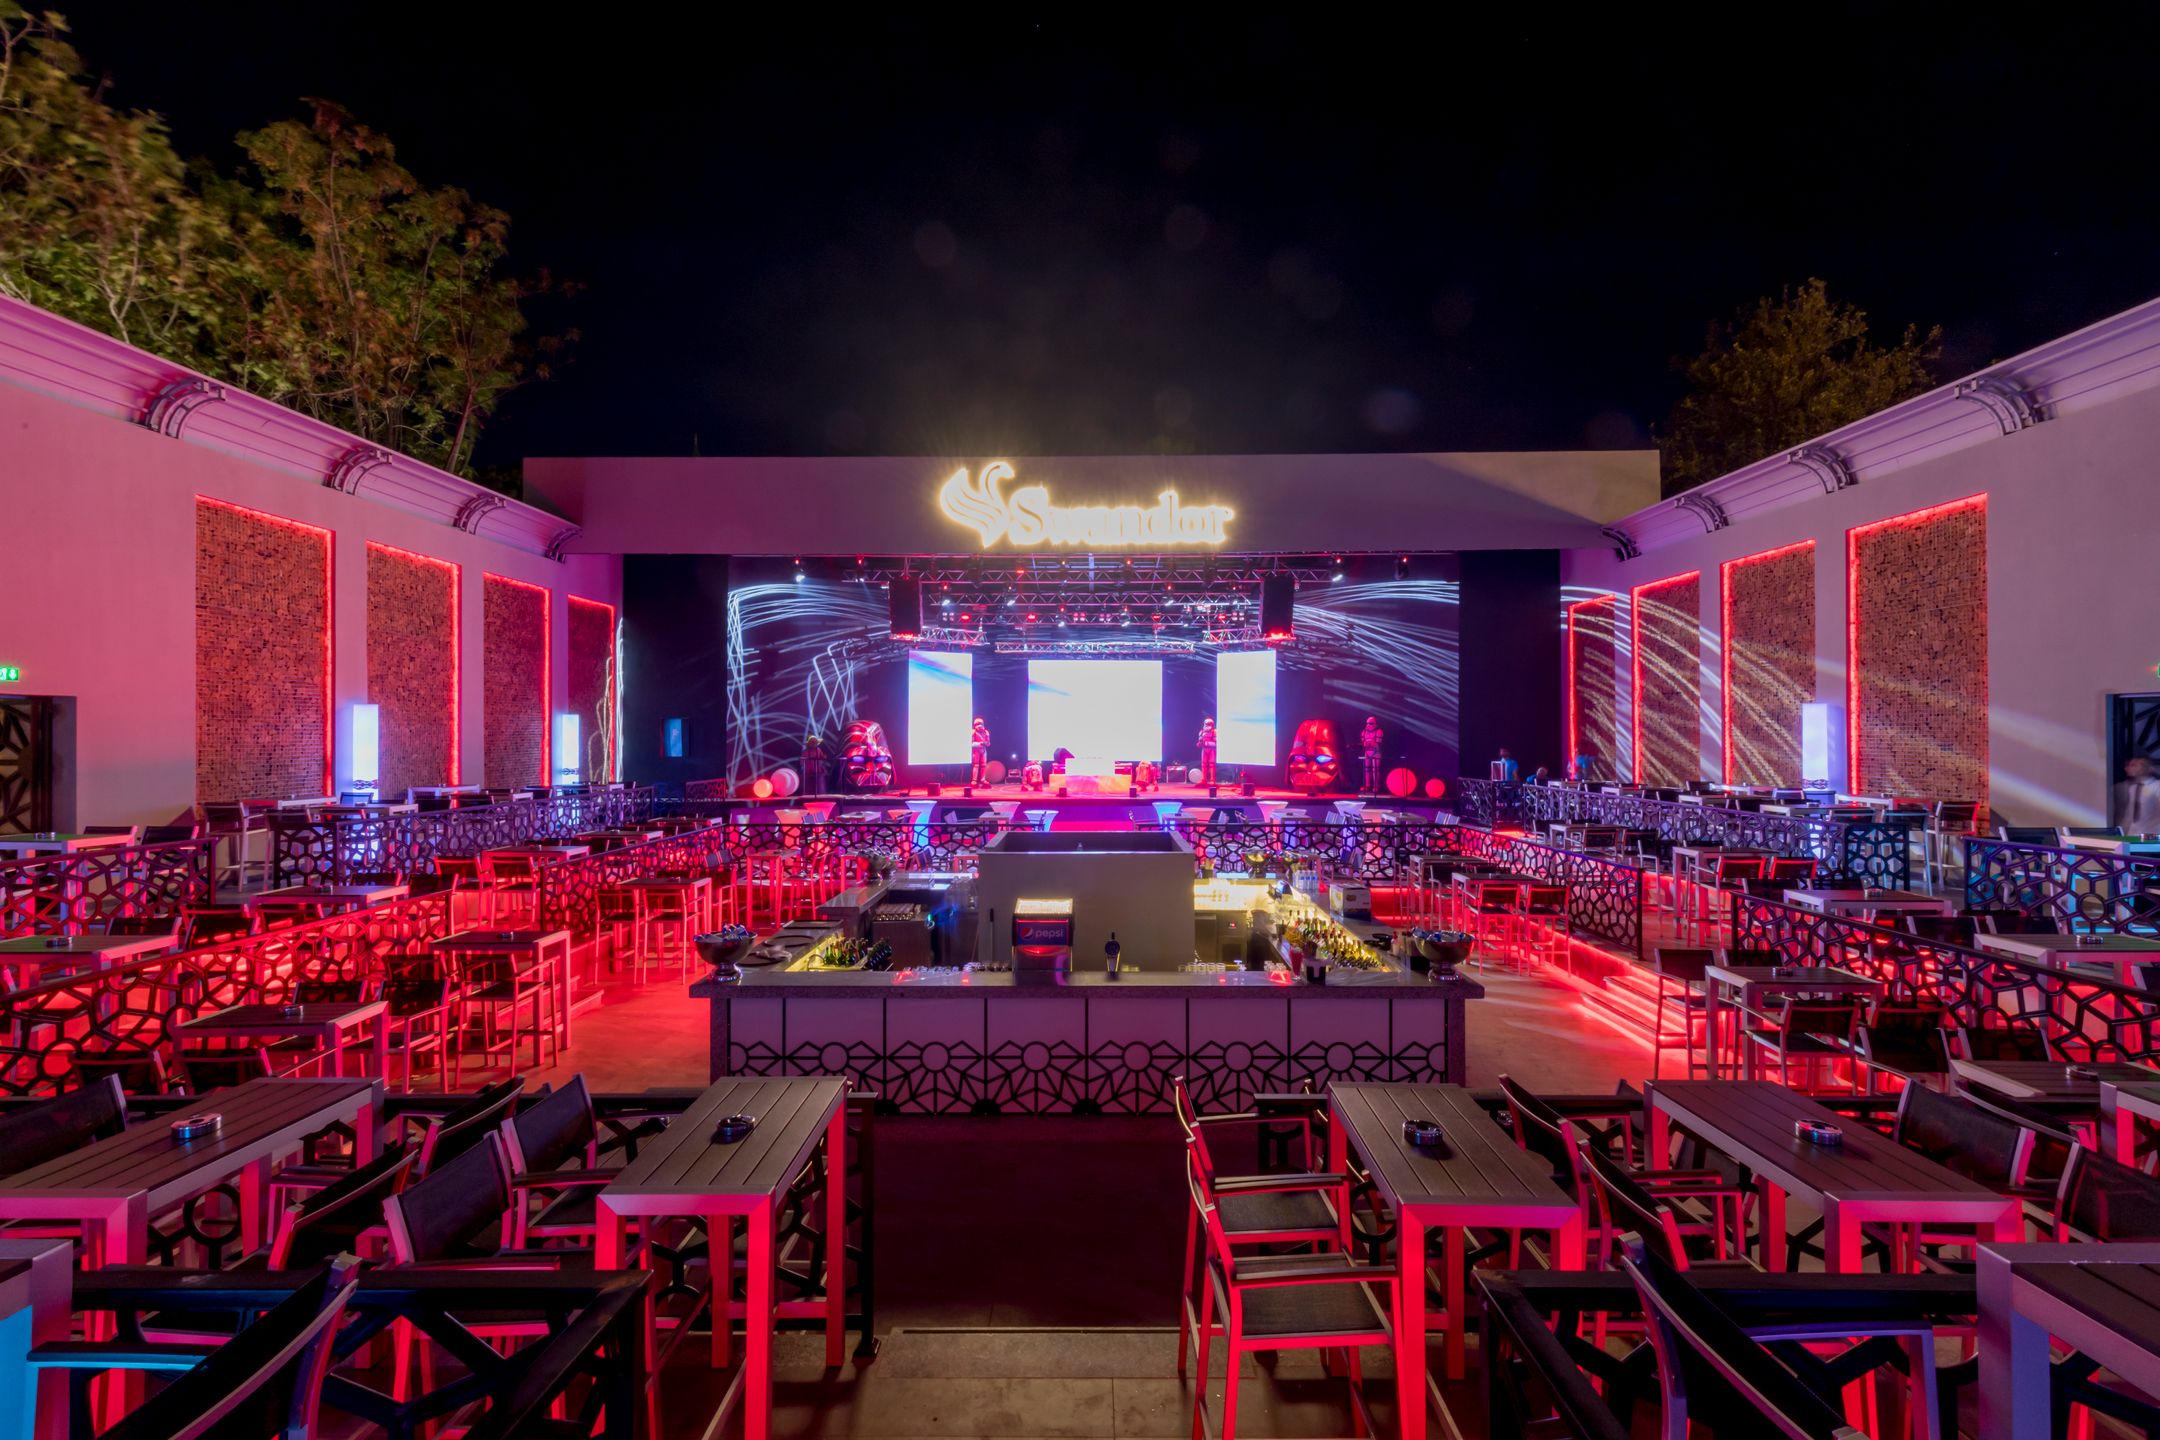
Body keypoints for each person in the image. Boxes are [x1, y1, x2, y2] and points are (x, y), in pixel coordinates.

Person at [2114, 756, 2160, 832]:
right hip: (2133, 832)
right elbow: (2129, 814)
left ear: (2144, 767)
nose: (2127, 768)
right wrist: (2121, 831)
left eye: (2133, 765)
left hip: (2151, 833)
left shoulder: (2157, 786)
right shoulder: (2133, 788)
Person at [1360, 717, 1384, 793]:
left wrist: (1371, 743)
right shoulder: (1364, 731)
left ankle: (1376, 786)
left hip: (1376, 752)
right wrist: (1367, 743)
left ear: (1375, 724)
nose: (1368, 725)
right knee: (1367, 769)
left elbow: (1379, 743)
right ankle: (1368, 785)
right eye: (1367, 723)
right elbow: (1363, 742)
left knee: (1375, 769)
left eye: (1371, 723)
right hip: (1367, 751)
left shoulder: (1379, 731)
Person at [1197, 718, 1218, 786]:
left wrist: (1206, 743)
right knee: (1203, 764)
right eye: (1206, 724)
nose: (1207, 725)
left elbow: (1216, 743)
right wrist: (1199, 744)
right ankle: (1204, 779)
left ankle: (1212, 779)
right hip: (1204, 749)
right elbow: (1200, 741)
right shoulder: (1201, 732)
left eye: (1209, 724)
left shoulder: (1214, 732)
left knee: (1212, 764)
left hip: (1211, 750)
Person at [970, 717, 991, 787]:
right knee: (976, 765)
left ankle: (982, 779)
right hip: (976, 750)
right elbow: (971, 743)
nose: (980, 726)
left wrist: (986, 743)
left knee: (983, 765)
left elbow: (988, 743)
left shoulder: (986, 732)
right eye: (978, 724)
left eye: (981, 724)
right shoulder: (973, 732)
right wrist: (980, 744)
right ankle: (974, 780)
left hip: (983, 750)